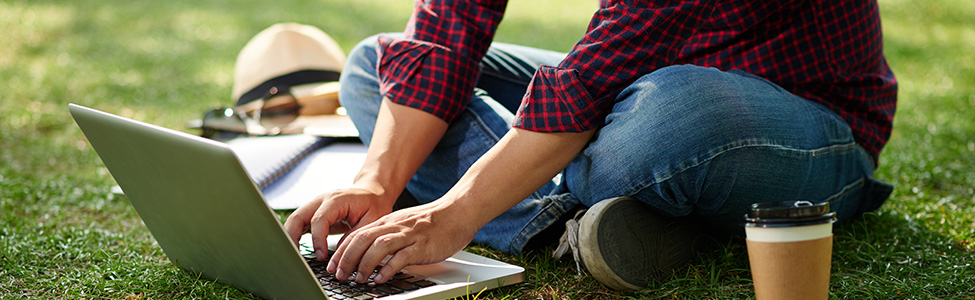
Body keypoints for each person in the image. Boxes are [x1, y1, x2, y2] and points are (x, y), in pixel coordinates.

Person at [284, 0, 897, 290]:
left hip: (802, 125)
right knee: (377, 65)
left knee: (669, 115)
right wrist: (377, 182)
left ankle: (554, 209)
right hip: (641, 82)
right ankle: (575, 224)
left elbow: (587, 87)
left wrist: (456, 211)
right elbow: (445, 33)